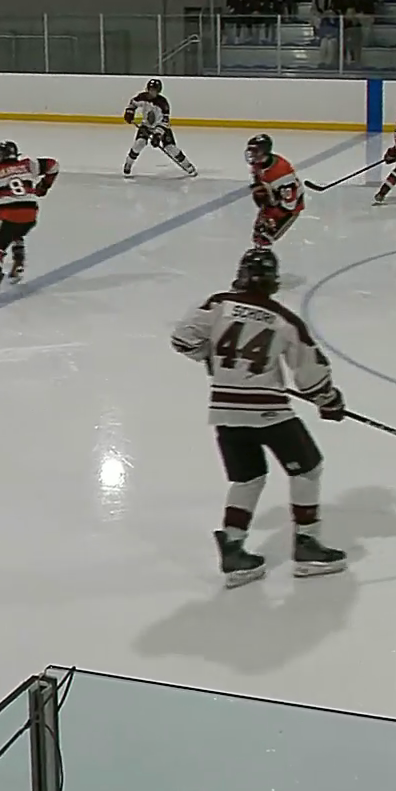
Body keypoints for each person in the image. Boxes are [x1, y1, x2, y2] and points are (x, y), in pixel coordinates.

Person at [171, 247, 348, 587]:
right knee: (308, 467)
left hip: (224, 410)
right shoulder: (283, 319)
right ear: (272, 282)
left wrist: (213, 360)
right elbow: (310, 373)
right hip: (268, 411)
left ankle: (235, 549)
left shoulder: (217, 304)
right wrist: (329, 400)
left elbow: (182, 339)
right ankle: (307, 544)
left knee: (247, 479)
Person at [0, 140, 59, 300]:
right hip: (31, 213)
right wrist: (43, 187)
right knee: (16, 232)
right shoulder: (28, 165)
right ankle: (18, 262)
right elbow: (53, 165)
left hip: (8, 215)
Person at [122, 78, 197, 177]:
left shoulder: (163, 103)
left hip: (161, 128)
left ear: (158, 91)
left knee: (170, 148)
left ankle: (187, 165)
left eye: (154, 90)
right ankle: (128, 163)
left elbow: (165, 121)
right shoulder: (142, 97)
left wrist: (157, 135)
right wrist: (129, 112)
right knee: (139, 143)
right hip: (146, 126)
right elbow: (132, 103)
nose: (151, 92)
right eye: (150, 89)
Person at [245, 134, 305, 248]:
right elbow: (258, 180)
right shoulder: (258, 164)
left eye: (255, 151)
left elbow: (290, 203)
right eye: (250, 150)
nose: (251, 154)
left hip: (287, 208)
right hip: (273, 200)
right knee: (258, 233)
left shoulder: (281, 172)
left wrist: (274, 207)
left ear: (264, 151)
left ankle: (264, 260)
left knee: (266, 236)